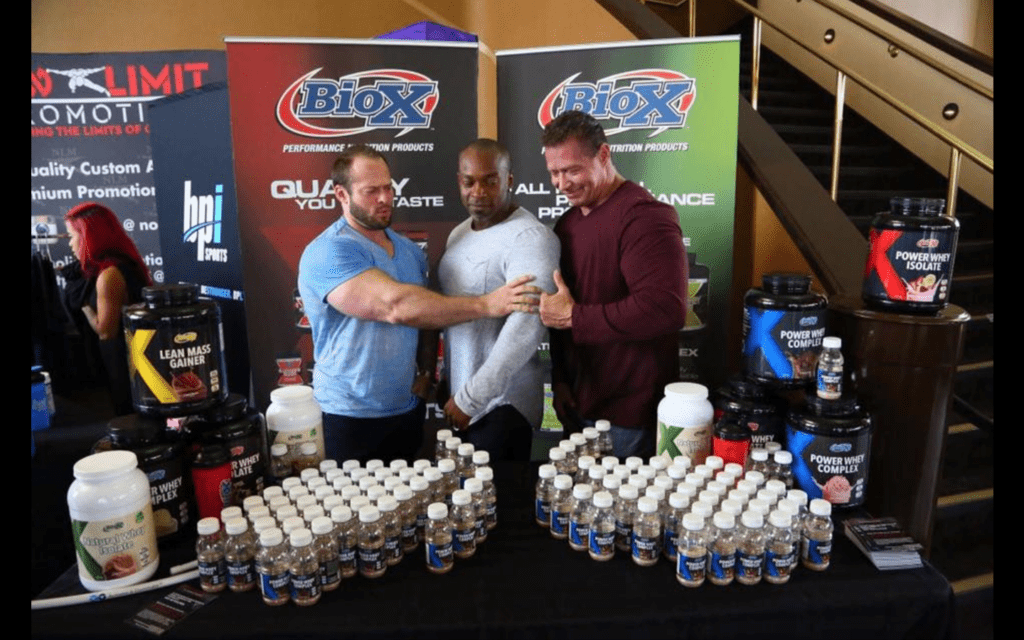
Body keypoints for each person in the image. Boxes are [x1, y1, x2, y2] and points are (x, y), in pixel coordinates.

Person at [297, 144, 540, 463]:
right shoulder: (329, 252)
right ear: (341, 194)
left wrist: (427, 369)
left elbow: (428, 312)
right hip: (347, 416)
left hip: (405, 412)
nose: (384, 198)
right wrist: (486, 305)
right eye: (371, 191)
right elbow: (395, 307)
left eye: (388, 187)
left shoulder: (409, 252)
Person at [538, 110, 687, 458]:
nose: (562, 184)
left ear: (604, 155)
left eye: (573, 170)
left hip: (628, 415)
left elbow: (664, 310)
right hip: (578, 403)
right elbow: (563, 310)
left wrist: (576, 317)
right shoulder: (567, 225)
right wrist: (560, 380)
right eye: (554, 173)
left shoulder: (646, 217)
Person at [438, 139, 561, 461]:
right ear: (458, 182)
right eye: (469, 181)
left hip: (502, 406)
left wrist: (471, 398)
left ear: (508, 179)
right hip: (461, 400)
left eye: (490, 180)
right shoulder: (460, 233)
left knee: (502, 508)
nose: (478, 191)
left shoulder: (531, 238)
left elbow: (525, 328)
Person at [63, 202, 152, 415]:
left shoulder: (109, 274)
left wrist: (84, 305)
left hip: (124, 364)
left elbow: (105, 331)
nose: (70, 244)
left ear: (88, 238)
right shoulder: (118, 266)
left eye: (72, 236)